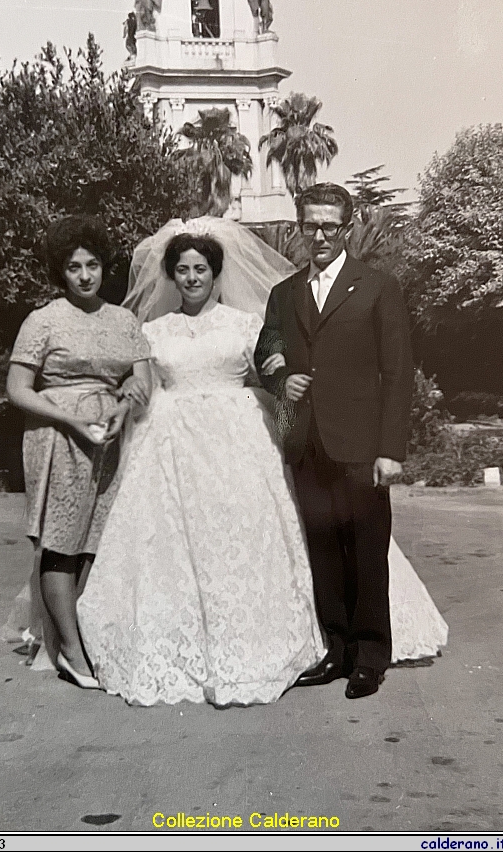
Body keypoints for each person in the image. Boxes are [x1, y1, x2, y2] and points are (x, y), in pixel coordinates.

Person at [77, 228, 326, 706]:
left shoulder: (245, 324)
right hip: (172, 445)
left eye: (200, 269)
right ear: (172, 276)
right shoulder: (154, 330)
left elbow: (271, 377)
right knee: (170, 542)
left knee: (242, 535)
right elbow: (142, 384)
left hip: (239, 443)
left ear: (215, 274)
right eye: (183, 270)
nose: (192, 278)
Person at [255, 183, 415, 700]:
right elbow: (266, 351)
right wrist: (282, 378)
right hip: (307, 443)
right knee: (323, 551)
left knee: (367, 552)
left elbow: (398, 373)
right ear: (300, 227)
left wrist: (390, 449)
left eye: (330, 226)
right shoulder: (284, 293)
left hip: (361, 446)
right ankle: (337, 651)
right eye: (311, 226)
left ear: (347, 228)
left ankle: (370, 657)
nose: (320, 236)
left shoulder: (377, 287)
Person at [6, 215, 152, 689]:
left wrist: (122, 409)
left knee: (98, 540)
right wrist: (69, 419)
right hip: (57, 437)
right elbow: (17, 389)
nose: (85, 275)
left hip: (108, 437)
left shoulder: (124, 320)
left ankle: (82, 638)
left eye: (92, 265)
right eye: (74, 267)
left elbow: (142, 381)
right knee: (61, 541)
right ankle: (70, 651)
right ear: (61, 272)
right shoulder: (43, 320)